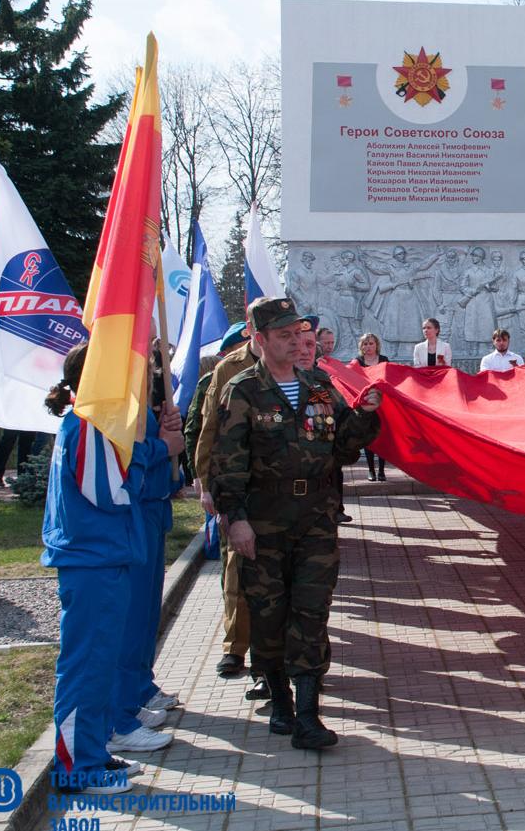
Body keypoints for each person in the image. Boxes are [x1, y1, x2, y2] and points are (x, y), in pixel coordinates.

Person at [211, 297, 382, 750]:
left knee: (311, 611)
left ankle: (308, 714)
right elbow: (228, 463)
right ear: (260, 339)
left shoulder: (320, 386)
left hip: (315, 520)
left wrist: (365, 417)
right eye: (283, 335)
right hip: (264, 523)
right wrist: (237, 520)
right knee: (268, 614)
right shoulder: (244, 390)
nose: (293, 342)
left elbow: (342, 447)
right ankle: (281, 703)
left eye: (296, 334)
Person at [42, 341, 184, 792]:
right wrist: (159, 448)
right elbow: (109, 490)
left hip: (103, 557)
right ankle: (76, 769)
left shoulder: (94, 423)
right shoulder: (87, 423)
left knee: (100, 662)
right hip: (93, 560)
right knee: (87, 665)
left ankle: (94, 752)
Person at [113, 361, 186, 752]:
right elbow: (123, 459)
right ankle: (121, 710)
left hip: (152, 509)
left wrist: (167, 440)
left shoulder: (143, 402)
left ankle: (137, 691)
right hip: (132, 516)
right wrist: (162, 446)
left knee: (145, 615)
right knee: (129, 618)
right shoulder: (114, 408)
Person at [185, 322, 253, 683]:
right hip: (237, 488)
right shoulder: (226, 372)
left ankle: (270, 658)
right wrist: (206, 481)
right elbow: (205, 427)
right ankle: (235, 648)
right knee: (236, 571)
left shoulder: (302, 371)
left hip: (279, 495)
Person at [353, 333, 390, 481]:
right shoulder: (358, 361)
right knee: (368, 436)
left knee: (381, 435)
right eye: (365, 344)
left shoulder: (384, 360)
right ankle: (371, 470)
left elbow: (389, 379)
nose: (368, 347)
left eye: (371, 343)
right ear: (361, 347)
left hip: (382, 403)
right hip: (366, 403)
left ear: (377, 345)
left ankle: (381, 470)